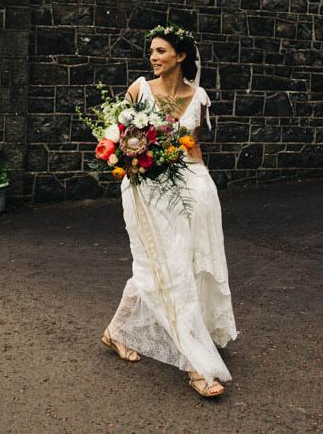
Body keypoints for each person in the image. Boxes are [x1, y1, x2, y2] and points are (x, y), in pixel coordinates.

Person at [101, 24, 237, 398]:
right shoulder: (138, 90)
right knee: (168, 269)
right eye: (152, 52)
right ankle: (196, 366)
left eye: (161, 51)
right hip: (144, 189)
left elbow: (194, 151)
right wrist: (129, 159)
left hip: (190, 190)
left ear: (180, 56)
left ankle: (115, 331)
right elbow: (116, 138)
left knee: (175, 267)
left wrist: (203, 187)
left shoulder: (199, 97)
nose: (153, 58)